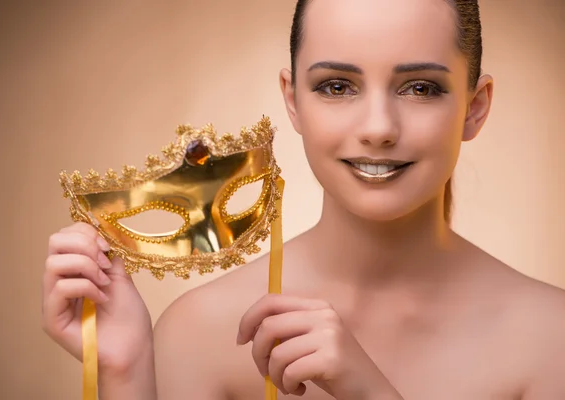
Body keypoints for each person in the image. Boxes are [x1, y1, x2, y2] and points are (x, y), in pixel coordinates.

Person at [42, 0, 565, 398]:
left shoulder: (551, 338)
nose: (378, 128)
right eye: (337, 87)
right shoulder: (203, 331)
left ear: (475, 108)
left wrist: (368, 391)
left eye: (421, 88)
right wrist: (125, 370)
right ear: (293, 100)